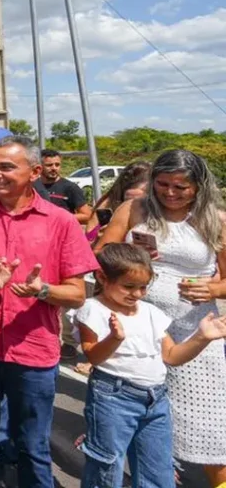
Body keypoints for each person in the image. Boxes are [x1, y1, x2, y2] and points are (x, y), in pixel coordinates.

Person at [0, 136, 98, 488]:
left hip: (34, 349)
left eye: (7, 167)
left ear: (35, 171)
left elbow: (77, 295)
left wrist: (44, 291)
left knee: (32, 443)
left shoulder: (61, 222)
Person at [97, 149, 226, 486]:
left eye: (180, 187)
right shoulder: (134, 209)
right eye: (163, 184)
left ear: (199, 187)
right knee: (145, 416)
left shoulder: (216, 220)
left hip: (196, 332)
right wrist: (132, 257)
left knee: (208, 427)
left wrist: (213, 290)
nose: (170, 193)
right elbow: (100, 254)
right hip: (138, 326)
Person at [76, 243, 226, 488]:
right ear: (102, 277)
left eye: (143, 287)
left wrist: (202, 337)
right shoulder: (93, 309)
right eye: (129, 287)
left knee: (158, 469)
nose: (137, 294)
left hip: (156, 398)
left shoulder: (150, 312)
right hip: (113, 397)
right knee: (107, 464)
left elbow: (172, 355)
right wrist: (114, 339)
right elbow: (93, 355)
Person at [85, 161, 150, 242]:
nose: (131, 205)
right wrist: (100, 237)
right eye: (129, 200)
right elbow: (89, 236)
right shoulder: (107, 202)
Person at [34, 149, 91, 223]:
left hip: (60, 232)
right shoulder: (31, 186)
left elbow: (87, 215)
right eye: (49, 165)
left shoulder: (70, 187)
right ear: (39, 167)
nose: (54, 168)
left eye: (57, 165)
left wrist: (58, 218)